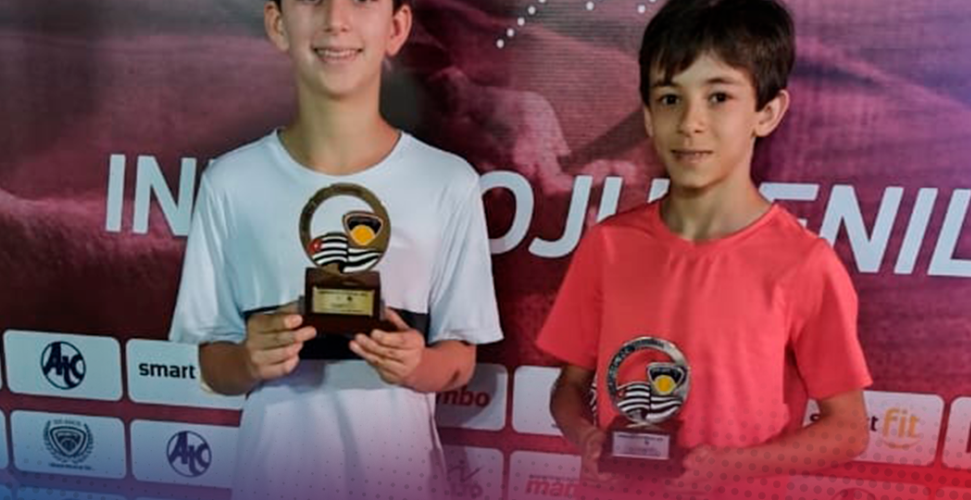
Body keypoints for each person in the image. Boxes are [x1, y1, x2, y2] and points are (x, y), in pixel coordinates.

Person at [536, 0, 872, 498]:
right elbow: (568, 388)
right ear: (648, 116)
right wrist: (586, 437)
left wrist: (731, 467)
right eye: (671, 98)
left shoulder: (804, 263)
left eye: (718, 97)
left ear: (767, 112)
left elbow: (848, 429)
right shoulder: (608, 246)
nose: (690, 122)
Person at [168, 1, 502, 499]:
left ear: (396, 27)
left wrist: (417, 366)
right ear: (278, 23)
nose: (335, 19)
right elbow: (215, 366)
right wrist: (249, 360)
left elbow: (460, 360)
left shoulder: (448, 182)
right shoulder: (230, 183)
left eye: (361, 0)